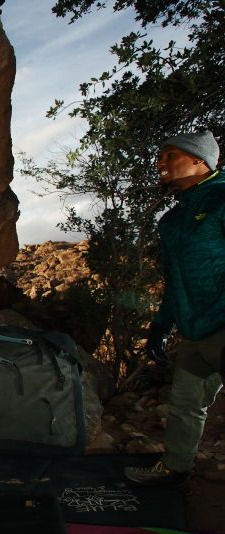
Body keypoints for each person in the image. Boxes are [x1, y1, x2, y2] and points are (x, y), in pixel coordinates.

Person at [125, 129, 225, 487]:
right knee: (185, 403)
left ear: (201, 160)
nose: (160, 162)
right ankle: (175, 468)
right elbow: (174, 280)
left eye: (171, 155)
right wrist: (161, 325)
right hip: (193, 329)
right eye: (160, 155)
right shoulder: (172, 220)